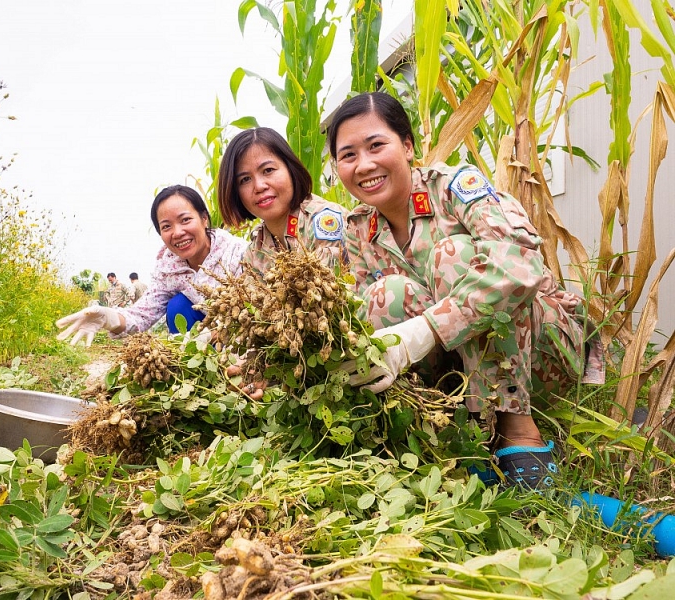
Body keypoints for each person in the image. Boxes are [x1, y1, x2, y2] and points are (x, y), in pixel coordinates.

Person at [326, 92, 604, 488]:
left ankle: (516, 430)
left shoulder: (453, 188)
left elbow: (518, 265)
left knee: (452, 255)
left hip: (541, 355)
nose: (364, 164)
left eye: (376, 146)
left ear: (407, 146)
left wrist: (424, 330)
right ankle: (457, 431)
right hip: (458, 380)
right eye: (348, 155)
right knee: (384, 295)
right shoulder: (357, 231)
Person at [56, 185, 248, 344]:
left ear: (204, 218)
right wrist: (109, 318)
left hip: (244, 332)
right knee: (178, 306)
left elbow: (257, 310)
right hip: (200, 335)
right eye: (166, 226)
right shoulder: (168, 268)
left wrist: (215, 334)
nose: (177, 232)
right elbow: (142, 314)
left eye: (185, 220)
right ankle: (196, 365)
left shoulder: (237, 252)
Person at [217, 127, 348, 275]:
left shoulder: (323, 221)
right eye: (245, 179)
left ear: (290, 168)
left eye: (268, 170)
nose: (259, 186)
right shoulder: (255, 251)